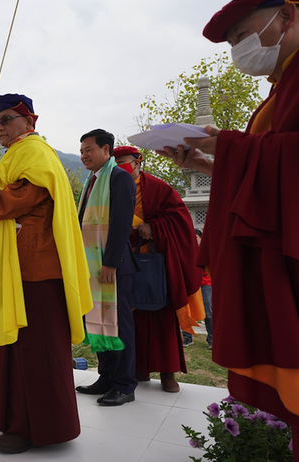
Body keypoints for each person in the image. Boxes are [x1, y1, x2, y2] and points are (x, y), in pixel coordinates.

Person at [157, 0, 299, 454]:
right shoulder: (281, 89)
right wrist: (208, 160)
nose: (238, 50)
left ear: (288, 15)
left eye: (242, 36)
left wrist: (233, 147)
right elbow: (272, 174)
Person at [0, 94, 92, 454]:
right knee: (16, 349)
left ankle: (37, 428)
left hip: (36, 268)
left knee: (35, 350)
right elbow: (8, 197)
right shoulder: (18, 155)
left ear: (30, 121)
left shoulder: (36, 153)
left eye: (7, 119)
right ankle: (17, 421)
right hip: (18, 267)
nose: (1, 127)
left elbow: (16, 199)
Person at [113, 146, 203, 393]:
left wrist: (154, 228)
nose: (120, 167)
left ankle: (168, 373)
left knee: (161, 318)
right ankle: (137, 368)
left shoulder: (158, 188)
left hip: (153, 265)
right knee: (131, 321)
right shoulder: (111, 189)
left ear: (138, 162)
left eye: (124, 162)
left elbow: (179, 218)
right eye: (116, 163)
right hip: (123, 263)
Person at [74, 129, 138, 406]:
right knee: (98, 322)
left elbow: (122, 224)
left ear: (106, 150)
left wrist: (111, 262)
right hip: (92, 266)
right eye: (81, 151)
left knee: (119, 325)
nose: (83, 155)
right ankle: (106, 376)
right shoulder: (91, 180)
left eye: (89, 149)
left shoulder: (119, 177)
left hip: (113, 266)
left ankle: (125, 384)